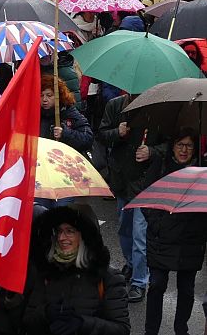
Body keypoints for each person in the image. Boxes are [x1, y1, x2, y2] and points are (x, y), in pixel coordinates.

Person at [136, 129, 207, 335]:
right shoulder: (161, 166)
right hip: (161, 238)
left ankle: (180, 328)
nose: (184, 150)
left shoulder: (202, 171)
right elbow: (146, 198)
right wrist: (157, 224)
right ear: (172, 146)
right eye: (180, 144)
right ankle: (151, 330)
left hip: (190, 239)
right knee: (157, 285)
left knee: (187, 290)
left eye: (189, 145)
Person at [23, 204, 130, 335]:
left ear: (85, 236)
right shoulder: (47, 272)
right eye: (59, 231)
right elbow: (27, 323)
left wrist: (83, 324)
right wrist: (45, 313)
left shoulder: (108, 277)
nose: (61, 238)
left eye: (70, 231)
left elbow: (121, 329)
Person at [97, 92, 150, 303]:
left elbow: (167, 143)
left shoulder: (155, 110)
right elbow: (101, 134)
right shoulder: (115, 105)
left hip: (144, 183)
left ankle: (139, 281)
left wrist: (152, 151)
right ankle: (130, 263)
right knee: (124, 229)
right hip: (121, 181)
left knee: (140, 235)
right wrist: (116, 133)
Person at [39, 74, 92, 153]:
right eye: (41, 95)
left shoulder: (69, 113)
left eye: (49, 95)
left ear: (59, 96)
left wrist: (65, 134)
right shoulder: (35, 114)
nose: (44, 99)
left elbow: (87, 139)